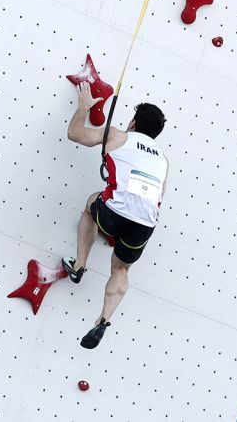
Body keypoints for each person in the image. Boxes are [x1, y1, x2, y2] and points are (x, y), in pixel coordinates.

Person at [61, 83, 168, 349]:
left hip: (114, 213)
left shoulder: (119, 136)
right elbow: (158, 198)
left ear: (133, 122)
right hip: (143, 225)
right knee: (121, 268)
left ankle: (80, 264)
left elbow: (74, 134)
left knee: (90, 204)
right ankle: (104, 319)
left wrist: (83, 107)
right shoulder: (163, 160)